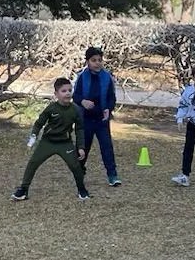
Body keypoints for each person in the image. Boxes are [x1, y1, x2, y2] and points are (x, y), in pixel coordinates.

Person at [13, 78, 89, 202]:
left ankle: (82, 190)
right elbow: (39, 123)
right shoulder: (51, 109)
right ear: (56, 94)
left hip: (65, 144)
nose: (68, 93)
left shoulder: (75, 109)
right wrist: (33, 137)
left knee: (75, 166)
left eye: (70, 90)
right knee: (33, 163)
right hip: (47, 142)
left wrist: (81, 147)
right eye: (63, 91)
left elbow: (80, 129)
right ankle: (23, 190)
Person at [72, 46, 120, 186]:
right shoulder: (82, 77)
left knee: (106, 147)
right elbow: (75, 96)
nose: (97, 63)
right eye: (94, 60)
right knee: (83, 148)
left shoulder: (107, 77)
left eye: (100, 60)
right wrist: (83, 101)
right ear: (87, 62)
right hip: (85, 119)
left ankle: (112, 175)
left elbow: (112, 97)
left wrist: (108, 109)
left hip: (101, 120)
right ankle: (79, 172)